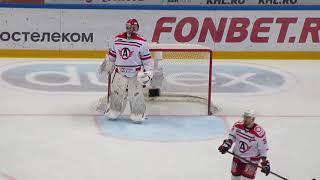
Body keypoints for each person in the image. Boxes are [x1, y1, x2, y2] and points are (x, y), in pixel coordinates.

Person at [99, 18, 154, 123]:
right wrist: (108, 65)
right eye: (129, 27)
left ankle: (138, 112)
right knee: (117, 92)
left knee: (136, 94)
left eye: (133, 28)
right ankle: (114, 109)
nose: (131, 30)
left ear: (136, 28)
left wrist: (148, 72)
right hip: (120, 73)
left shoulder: (141, 41)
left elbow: (147, 60)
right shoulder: (117, 39)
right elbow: (112, 56)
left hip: (135, 74)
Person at [218, 110, 270, 180]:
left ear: (253, 119)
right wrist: (227, 145)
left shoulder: (259, 132)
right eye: (245, 117)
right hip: (237, 156)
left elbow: (263, 149)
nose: (245, 119)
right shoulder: (237, 125)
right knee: (234, 177)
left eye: (248, 117)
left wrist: (264, 163)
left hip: (252, 160)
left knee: (246, 179)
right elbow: (232, 136)